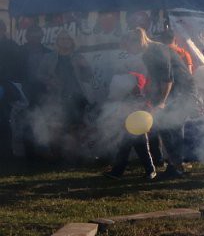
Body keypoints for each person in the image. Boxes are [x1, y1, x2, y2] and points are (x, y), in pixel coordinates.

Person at [124, 28, 197, 178]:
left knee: (173, 126)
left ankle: (176, 168)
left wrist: (162, 102)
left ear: (137, 42)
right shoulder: (147, 54)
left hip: (182, 91)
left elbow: (168, 79)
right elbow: (155, 78)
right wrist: (149, 96)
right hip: (170, 91)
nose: (127, 50)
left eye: (128, 46)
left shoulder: (157, 51)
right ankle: (175, 165)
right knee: (163, 127)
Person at [37, 31, 95, 160]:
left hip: (77, 96)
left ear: (72, 41)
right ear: (57, 41)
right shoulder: (49, 57)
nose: (64, 41)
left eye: (67, 39)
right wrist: (49, 81)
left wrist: (84, 66)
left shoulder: (78, 56)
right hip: (56, 96)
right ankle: (56, 155)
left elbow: (89, 77)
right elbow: (39, 74)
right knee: (56, 125)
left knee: (77, 126)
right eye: (61, 38)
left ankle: (75, 154)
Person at [104, 71, 157, 180]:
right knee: (125, 149)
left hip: (138, 126)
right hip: (129, 125)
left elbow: (147, 111)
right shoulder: (127, 94)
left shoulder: (141, 96)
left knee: (141, 150)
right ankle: (117, 172)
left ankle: (150, 171)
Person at [0, 19, 26, 160]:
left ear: (3, 30)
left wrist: (9, 82)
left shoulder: (12, 46)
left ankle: (7, 152)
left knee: (5, 119)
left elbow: (19, 68)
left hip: (7, 87)